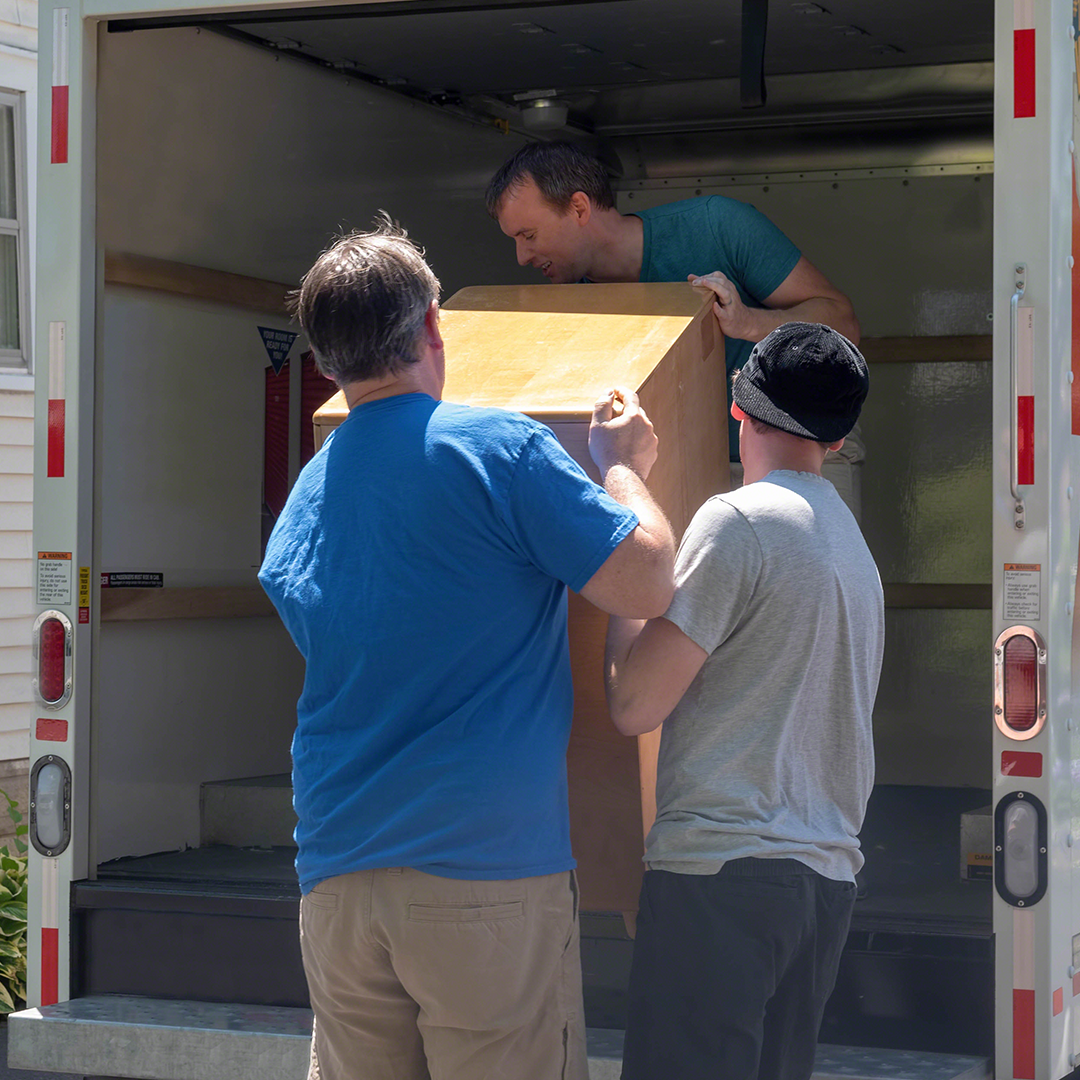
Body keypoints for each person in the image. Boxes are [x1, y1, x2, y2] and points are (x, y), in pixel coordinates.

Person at [258, 217, 676, 1080]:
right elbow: (646, 582)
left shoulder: (310, 492)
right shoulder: (498, 450)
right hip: (483, 874)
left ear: (328, 362)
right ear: (429, 328)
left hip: (337, 880)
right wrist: (625, 465)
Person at [603, 322, 884, 1080]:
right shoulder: (850, 546)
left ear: (741, 404)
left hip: (722, 882)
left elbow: (634, 703)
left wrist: (625, 504)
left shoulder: (739, 522)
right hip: (823, 884)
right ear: (837, 432)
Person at [485, 141, 865, 515]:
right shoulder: (563, 305)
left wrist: (749, 322)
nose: (521, 257)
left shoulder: (717, 225)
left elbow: (843, 323)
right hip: (676, 482)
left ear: (579, 207)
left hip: (800, 464)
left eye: (528, 235)